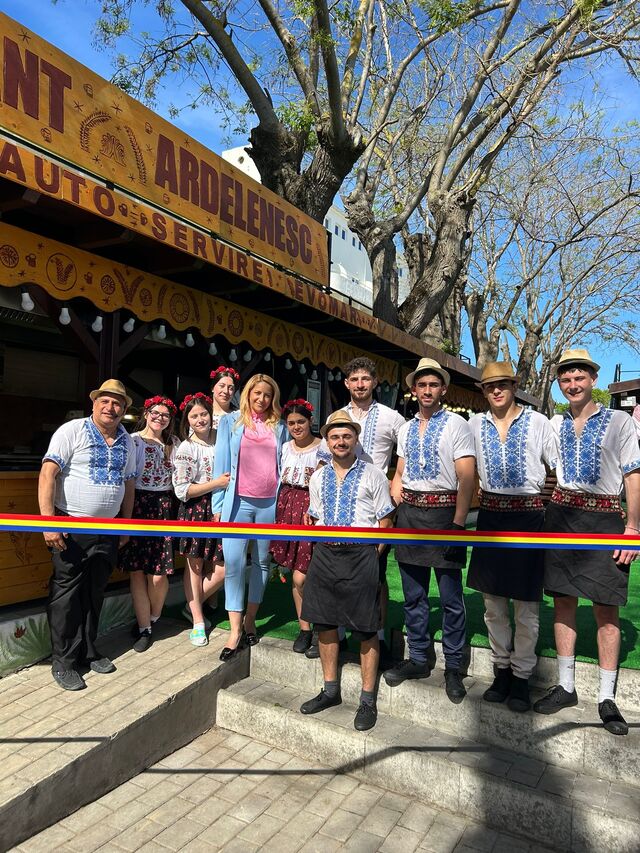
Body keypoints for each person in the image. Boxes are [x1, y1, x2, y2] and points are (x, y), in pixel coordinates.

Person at [533, 348, 640, 735]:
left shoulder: (619, 422)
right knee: (562, 602)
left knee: (606, 608)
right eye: (565, 378)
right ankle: (566, 686)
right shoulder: (553, 423)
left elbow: (633, 476)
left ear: (593, 380)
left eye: (579, 377)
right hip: (561, 516)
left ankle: (607, 698)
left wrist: (633, 529)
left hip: (606, 520)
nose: (572, 384)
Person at [467, 363, 556, 712]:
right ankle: (501, 670)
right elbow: (464, 465)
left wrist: (547, 499)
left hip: (529, 517)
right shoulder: (475, 424)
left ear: (515, 386)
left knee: (527, 607)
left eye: (503, 384)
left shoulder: (538, 422)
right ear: (483, 391)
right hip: (490, 516)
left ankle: (521, 676)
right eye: (490, 386)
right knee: (493, 604)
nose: (496, 391)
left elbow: (558, 466)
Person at [385, 358, 476, 703]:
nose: (427, 390)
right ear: (414, 389)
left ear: (443, 389)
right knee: (414, 594)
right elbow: (399, 473)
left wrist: (458, 523)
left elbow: (467, 477)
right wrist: (394, 505)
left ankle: (454, 666)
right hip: (410, 515)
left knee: (451, 598)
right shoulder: (406, 429)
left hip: (444, 517)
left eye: (433, 384)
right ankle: (419, 658)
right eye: (421, 385)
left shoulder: (457, 424)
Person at [300, 410, 395, 731]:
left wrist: (371, 555)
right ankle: (330, 691)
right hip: (326, 554)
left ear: (355, 439)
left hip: (361, 555)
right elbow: (315, 516)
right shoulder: (317, 477)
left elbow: (385, 520)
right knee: (325, 624)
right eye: (335, 437)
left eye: (346, 436)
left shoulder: (373, 474)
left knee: (366, 629)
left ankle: (367, 700)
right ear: (327, 442)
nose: (340, 441)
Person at [38, 379, 136, 690]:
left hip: (109, 529)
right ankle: (64, 661)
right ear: (94, 403)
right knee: (66, 596)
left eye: (117, 402)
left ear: (124, 408)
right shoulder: (72, 430)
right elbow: (48, 473)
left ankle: (88, 651)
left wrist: (126, 524)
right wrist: (49, 523)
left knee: (95, 592)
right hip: (72, 526)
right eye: (105, 401)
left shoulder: (128, 440)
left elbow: (129, 484)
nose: (111, 407)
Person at [317, 356, 405, 662]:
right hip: (340, 504)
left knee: (375, 576)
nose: (360, 384)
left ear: (375, 381)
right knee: (336, 574)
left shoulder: (392, 417)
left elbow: (406, 451)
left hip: (375, 504)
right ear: (346, 383)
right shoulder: (336, 416)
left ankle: (376, 637)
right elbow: (323, 459)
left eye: (365, 378)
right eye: (354, 379)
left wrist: (396, 483)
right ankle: (339, 635)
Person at [213, 374, 287, 661]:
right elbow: (221, 463)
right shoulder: (230, 422)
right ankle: (234, 631)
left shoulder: (280, 426)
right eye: (257, 393)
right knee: (233, 564)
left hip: (269, 504)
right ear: (247, 394)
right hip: (237, 503)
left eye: (267, 395)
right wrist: (218, 505)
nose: (262, 399)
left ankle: (250, 619)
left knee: (262, 562)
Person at [121, 395, 179, 653]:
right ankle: (144, 627)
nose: (159, 418)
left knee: (158, 573)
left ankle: (153, 617)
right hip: (137, 504)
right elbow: (128, 479)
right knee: (136, 570)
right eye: (155, 413)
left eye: (165, 415)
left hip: (164, 507)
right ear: (146, 414)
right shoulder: (133, 441)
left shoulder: (173, 443)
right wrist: (126, 517)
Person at [173, 393, 230, 647]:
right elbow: (182, 489)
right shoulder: (187, 448)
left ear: (211, 414)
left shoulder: (222, 439)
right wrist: (216, 483)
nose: (200, 420)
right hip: (196, 508)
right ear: (187, 420)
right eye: (194, 416)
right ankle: (197, 620)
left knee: (224, 566)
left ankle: (191, 604)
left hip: (222, 506)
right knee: (194, 565)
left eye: (203, 414)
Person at [271, 399, 322, 654]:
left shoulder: (322, 447)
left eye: (301, 421)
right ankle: (305, 629)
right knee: (294, 572)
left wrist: (315, 509)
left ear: (310, 421)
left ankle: (322, 626)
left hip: (311, 508)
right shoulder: (285, 447)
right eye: (291, 423)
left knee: (306, 574)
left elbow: (323, 481)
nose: (296, 427)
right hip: (287, 505)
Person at [210, 366, 240, 431]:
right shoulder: (202, 413)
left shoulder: (239, 416)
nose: (226, 391)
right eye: (222, 386)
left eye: (230, 388)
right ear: (212, 388)